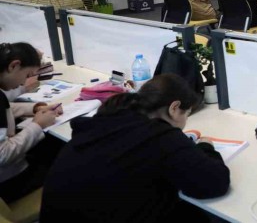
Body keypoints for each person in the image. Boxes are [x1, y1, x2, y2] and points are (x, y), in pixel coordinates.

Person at [40, 74, 230, 222]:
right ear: (174, 107)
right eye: (186, 114)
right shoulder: (160, 136)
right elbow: (214, 183)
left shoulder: (108, 118)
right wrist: (206, 147)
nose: (184, 122)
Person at [0, 42, 64, 202]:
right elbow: (2, 155)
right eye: (27, 75)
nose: (24, 83)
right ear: (14, 66)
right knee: (65, 165)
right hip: (8, 180)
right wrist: (38, 125)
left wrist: (34, 108)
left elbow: (5, 108)